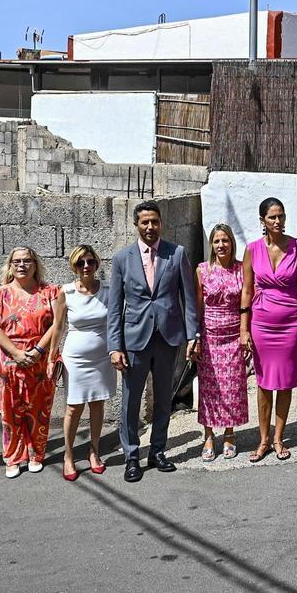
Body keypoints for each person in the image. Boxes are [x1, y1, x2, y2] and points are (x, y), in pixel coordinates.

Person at [108, 200, 199, 483]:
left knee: (163, 400)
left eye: (154, 222)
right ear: (136, 225)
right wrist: (114, 346)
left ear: (161, 223)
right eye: (144, 222)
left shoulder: (177, 253)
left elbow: (188, 299)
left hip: (168, 338)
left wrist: (193, 334)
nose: (150, 227)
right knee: (130, 402)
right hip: (135, 340)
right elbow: (115, 306)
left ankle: (158, 451)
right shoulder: (123, 259)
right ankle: (132, 456)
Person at [240, 198, 297, 462]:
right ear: (262, 220)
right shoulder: (252, 250)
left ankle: (278, 437)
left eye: (281, 216)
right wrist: (244, 329)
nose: (278, 221)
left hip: (289, 325)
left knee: (284, 383)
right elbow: (247, 290)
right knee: (264, 383)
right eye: (272, 217)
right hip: (261, 324)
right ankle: (263, 440)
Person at [0, 246, 62, 478]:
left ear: (35, 264)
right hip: (9, 362)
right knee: (10, 410)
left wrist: (38, 350)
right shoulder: (0, 294)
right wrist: (16, 353)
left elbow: (58, 324)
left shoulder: (50, 292)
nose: (22, 265)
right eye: (16, 261)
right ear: (10, 265)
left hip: (41, 358)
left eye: (27, 261)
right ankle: (13, 458)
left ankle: (36, 454)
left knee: (39, 409)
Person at [58, 245, 115, 481]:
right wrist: (52, 354)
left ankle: (94, 451)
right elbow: (58, 327)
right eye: (80, 263)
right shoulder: (66, 292)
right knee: (73, 408)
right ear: (74, 265)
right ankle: (68, 456)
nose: (86, 267)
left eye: (90, 262)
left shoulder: (109, 291)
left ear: (97, 264)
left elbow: (115, 323)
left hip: (102, 357)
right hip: (75, 359)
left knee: (97, 405)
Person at [195, 224, 248, 461]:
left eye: (225, 240)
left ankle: (229, 433)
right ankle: (208, 435)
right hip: (209, 336)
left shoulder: (240, 270)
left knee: (233, 387)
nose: (221, 245)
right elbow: (197, 306)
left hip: (234, 334)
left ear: (232, 243)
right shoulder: (202, 270)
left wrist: (247, 334)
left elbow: (247, 303)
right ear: (211, 245)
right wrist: (195, 338)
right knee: (210, 388)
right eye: (216, 241)